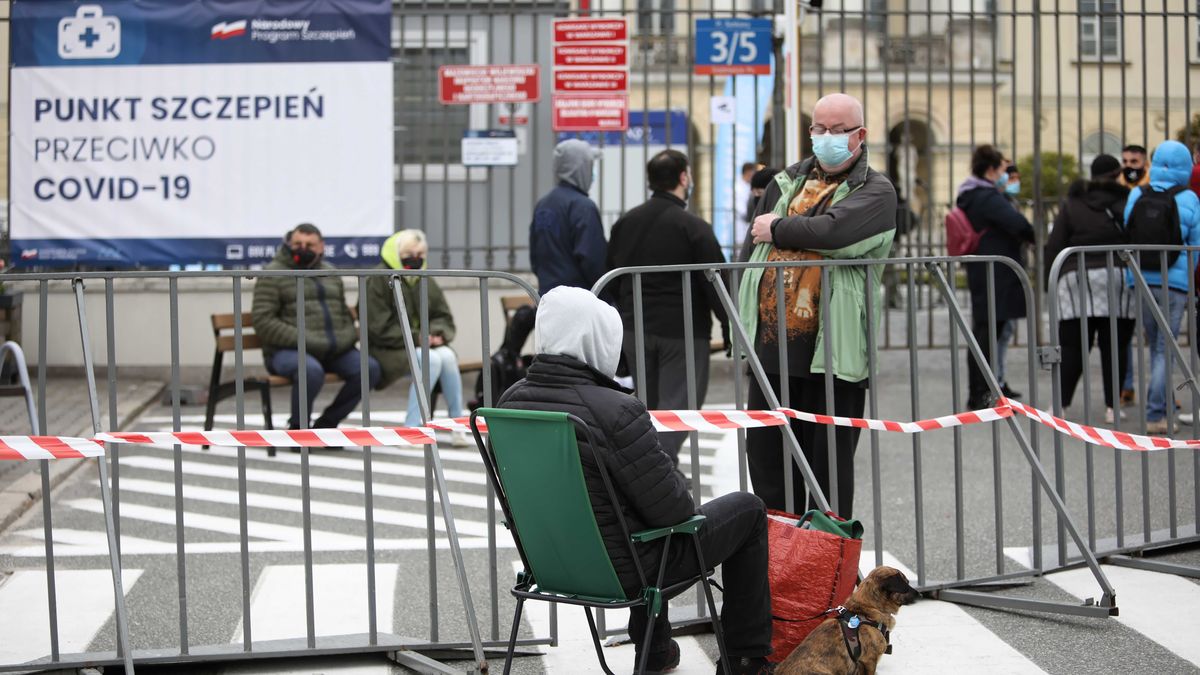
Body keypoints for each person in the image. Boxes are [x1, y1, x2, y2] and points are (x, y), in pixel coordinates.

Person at [498, 286, 772, 675]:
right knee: (748, 509)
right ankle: (745, 659)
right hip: (622, 574)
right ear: (599, 341)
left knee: (626, 516)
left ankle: (656, 650)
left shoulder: (509, 403)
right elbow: (675, 512)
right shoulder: (617, 410)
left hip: (548, 564)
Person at [739, 93, 897, 517]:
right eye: (820, 128)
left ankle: (827, 558)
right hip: (771, 354)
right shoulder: (784, 182)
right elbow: (751, 248)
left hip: (832, 357)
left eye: (838, 130)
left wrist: (779, 227)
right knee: (769, 471)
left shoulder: (875, 190)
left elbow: (836, 233)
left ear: (860, 135)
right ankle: (779, 556)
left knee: (827, 477)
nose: (827, 137)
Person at [606, 149, 730, 466]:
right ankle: (659, 471)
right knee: (680, 408)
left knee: (647, 407)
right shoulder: (694, 227)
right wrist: (729, 324)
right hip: (683, 331)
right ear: (684, 178)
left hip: (636, 328)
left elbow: (609, 277)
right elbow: (715, 282)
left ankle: (652, 470)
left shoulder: (625, 223)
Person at [251, 223, 381, 430]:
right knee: (310, 371)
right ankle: (298, 429)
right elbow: (263, 320)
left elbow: (342, 314)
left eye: (309, 245)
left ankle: (326, 426)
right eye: (297, 244)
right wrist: (305, 339)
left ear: (321, 247)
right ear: (288, 244)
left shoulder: (329, 272)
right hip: (286, 351)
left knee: (369, 369)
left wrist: (345, 338)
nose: (303, 248)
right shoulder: (273, 273)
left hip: (333, 350)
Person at [1043, 154, 1134, 423]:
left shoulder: (1073, 203)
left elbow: (1055, 244)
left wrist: (1051, 281)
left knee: (1072, 346)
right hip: (1116, 277)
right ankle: (1112, 407)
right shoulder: (1126, 201)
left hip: (1076, 278)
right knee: (1115, 345)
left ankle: (1060, 405)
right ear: (1117, 174)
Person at [365, 229, 470, 445]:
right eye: (409, 254)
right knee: (430, 360)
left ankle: (457, 426)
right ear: (396, 254)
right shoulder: (378, 278)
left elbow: (443, 315)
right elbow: (378, 326)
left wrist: (437, 334)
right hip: (387, 348)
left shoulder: (423, 278)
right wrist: (418, 337)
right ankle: (412, 429)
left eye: (420, 254)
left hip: (421, 344)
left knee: (448, 356)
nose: (415, 259)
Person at [1123, 140, 1200, 434]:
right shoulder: (1189, 198)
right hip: (1174, 282)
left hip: (1140, 278)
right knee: (1164, 349)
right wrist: (1187, 277)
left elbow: (1127, 230)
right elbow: (1196, 244)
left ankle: (1163, 406)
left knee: (1154, 344)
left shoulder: (1137, 193)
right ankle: (1156, 414)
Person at [956, 146, 1035, 410]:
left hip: (987, 270)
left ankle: (985, 391)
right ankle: (982, 393)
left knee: (987, 331)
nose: (1006, 174)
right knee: (988, 333)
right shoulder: (986, 196)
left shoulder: (972, 194)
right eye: (1002, 168)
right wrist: (1030, 235)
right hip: (994, 272)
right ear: (991, 169)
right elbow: (1018, 223)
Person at [529, 139, 608, 294]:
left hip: (548, 295)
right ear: (581, 168)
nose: (592, 171)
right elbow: (593, 260)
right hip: (579, 296)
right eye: (590, 165)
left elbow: (535, 257)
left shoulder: (544, 204)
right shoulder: (583, 206)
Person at [734, 162, 757, 246]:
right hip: (741, 222)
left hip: (748, 221)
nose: (752, 177)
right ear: (746, 173)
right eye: (751, 174)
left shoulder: (749, 186)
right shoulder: (738, 187)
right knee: (740, 245)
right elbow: (740, 208)